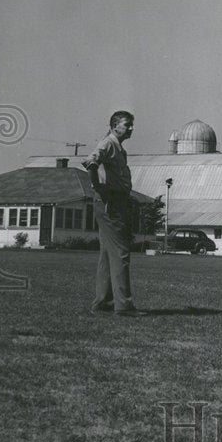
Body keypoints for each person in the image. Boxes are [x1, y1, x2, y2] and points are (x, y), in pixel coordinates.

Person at [82, 111, 146, 317]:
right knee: (120, 252)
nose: (131, 128)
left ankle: (102, 303)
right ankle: (124, 306)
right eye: (127, 125)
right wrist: (96, 185)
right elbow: (91, 161)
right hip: (111, 203)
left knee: (108, 254)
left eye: (132, 125)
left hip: (113, 202)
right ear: (114, 126)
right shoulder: (108, 143)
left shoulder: (117, 146)